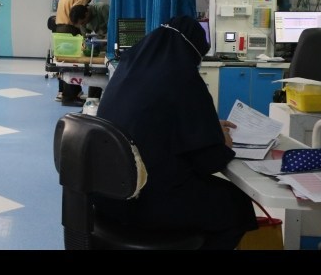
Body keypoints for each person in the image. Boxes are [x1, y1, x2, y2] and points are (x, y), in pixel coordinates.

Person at [94, 16, 257, 250]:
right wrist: (220, 140)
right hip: (146, 203)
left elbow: (157, 124)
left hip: (108, 197)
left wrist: (207, 127)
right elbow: (209, 161)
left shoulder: (127, 71)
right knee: (236, 204)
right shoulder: (184, 79)